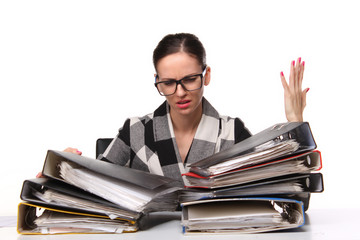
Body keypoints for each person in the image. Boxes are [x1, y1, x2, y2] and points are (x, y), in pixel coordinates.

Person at [51, 33, 308, 184]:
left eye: (189, 79)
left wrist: (294, 122)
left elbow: (275, 188)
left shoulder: (232, 131)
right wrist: (62, 171)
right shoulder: (135, 131)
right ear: (157, 82)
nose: (180, 92)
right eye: (168, 83)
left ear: (206, 76)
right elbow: (97, 188)